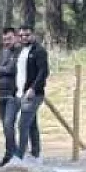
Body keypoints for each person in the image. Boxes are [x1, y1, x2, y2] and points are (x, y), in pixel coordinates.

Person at [14, 25, 50, 163]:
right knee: (32, 124)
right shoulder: (20, 51)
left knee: (22, 124)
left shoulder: (39, 51)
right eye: (21, 35)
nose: (24, 38)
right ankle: (36, 154)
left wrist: (33, 88)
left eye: (27, 35)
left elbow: (43, 72)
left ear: (33, 35)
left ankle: (20, 156)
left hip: (33, 94)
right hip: (20, 93)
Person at [0, 27, 21, 166]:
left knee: (9, 124)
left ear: (16, 37)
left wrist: (1, 69)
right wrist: (2, 69)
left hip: (13, 94)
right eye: (4, 39)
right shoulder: (3, 52)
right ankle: (11, 152)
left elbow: (12, 69)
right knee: (5, 126)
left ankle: (12, 154)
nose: (6, 42)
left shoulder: (20, 52)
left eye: (9, 38)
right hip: (1, 94)